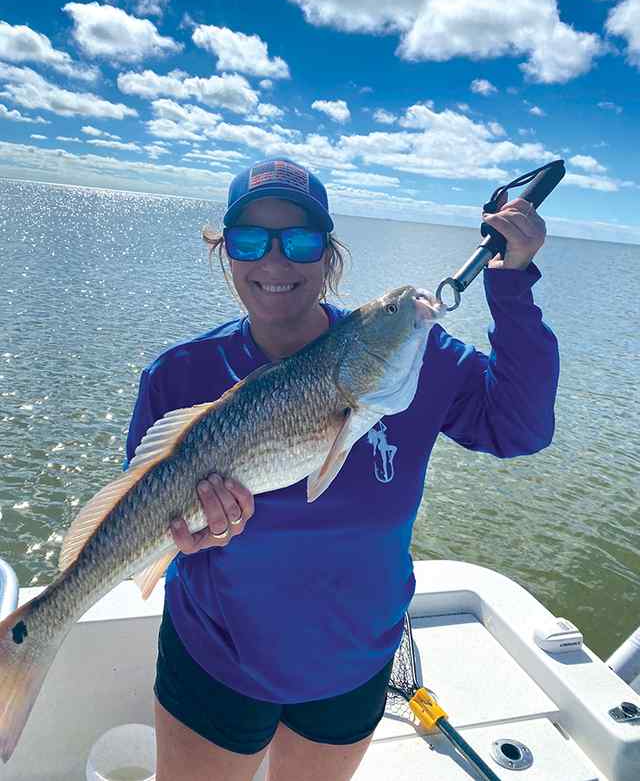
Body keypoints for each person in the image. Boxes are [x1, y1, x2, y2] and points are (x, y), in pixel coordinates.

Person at [124, 157, 559, 781]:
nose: (275, 262)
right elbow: (141, 513)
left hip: (352, 663)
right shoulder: (179, 374)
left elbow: (520, 428)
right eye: (250, 240)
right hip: (217, 660)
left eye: (300, 241)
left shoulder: (414, 351)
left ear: (329, 256)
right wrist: (191, 538)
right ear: (226, 254)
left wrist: (511, 282)